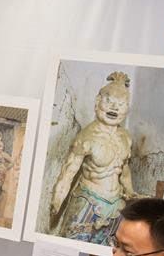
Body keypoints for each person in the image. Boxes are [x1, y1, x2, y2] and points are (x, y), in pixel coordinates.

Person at [50, 72, 137, 244]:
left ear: (127, 109)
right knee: (72, 246)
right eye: (109, 101)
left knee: (107, 249)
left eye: (121, 104)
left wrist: (130, 192)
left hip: (116, 206)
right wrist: (57, 199)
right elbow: (68, 171)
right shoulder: (87, 136)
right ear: (98, 102)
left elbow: (124, 169)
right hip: (88, 202)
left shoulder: (126, 137)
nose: (114, 108)